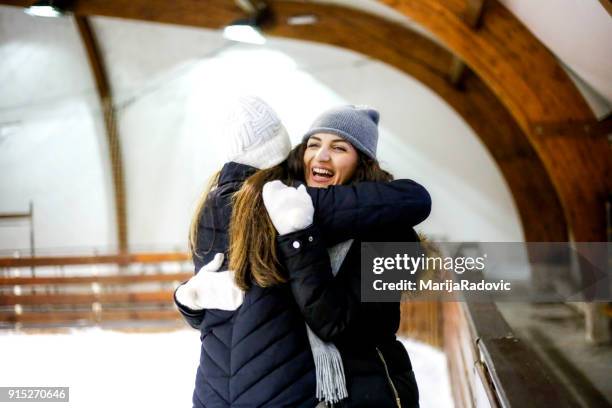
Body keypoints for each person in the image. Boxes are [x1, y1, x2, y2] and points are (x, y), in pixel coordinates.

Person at [175, 100, 430, 407]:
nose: (321, 156)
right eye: (313, 144)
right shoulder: (285, 209)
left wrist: (299, 238)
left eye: (339, 148)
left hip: (367, 391)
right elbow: (249, 313)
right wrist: (189, 299)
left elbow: (338, 324)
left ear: (362, 162)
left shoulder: (395, 237)